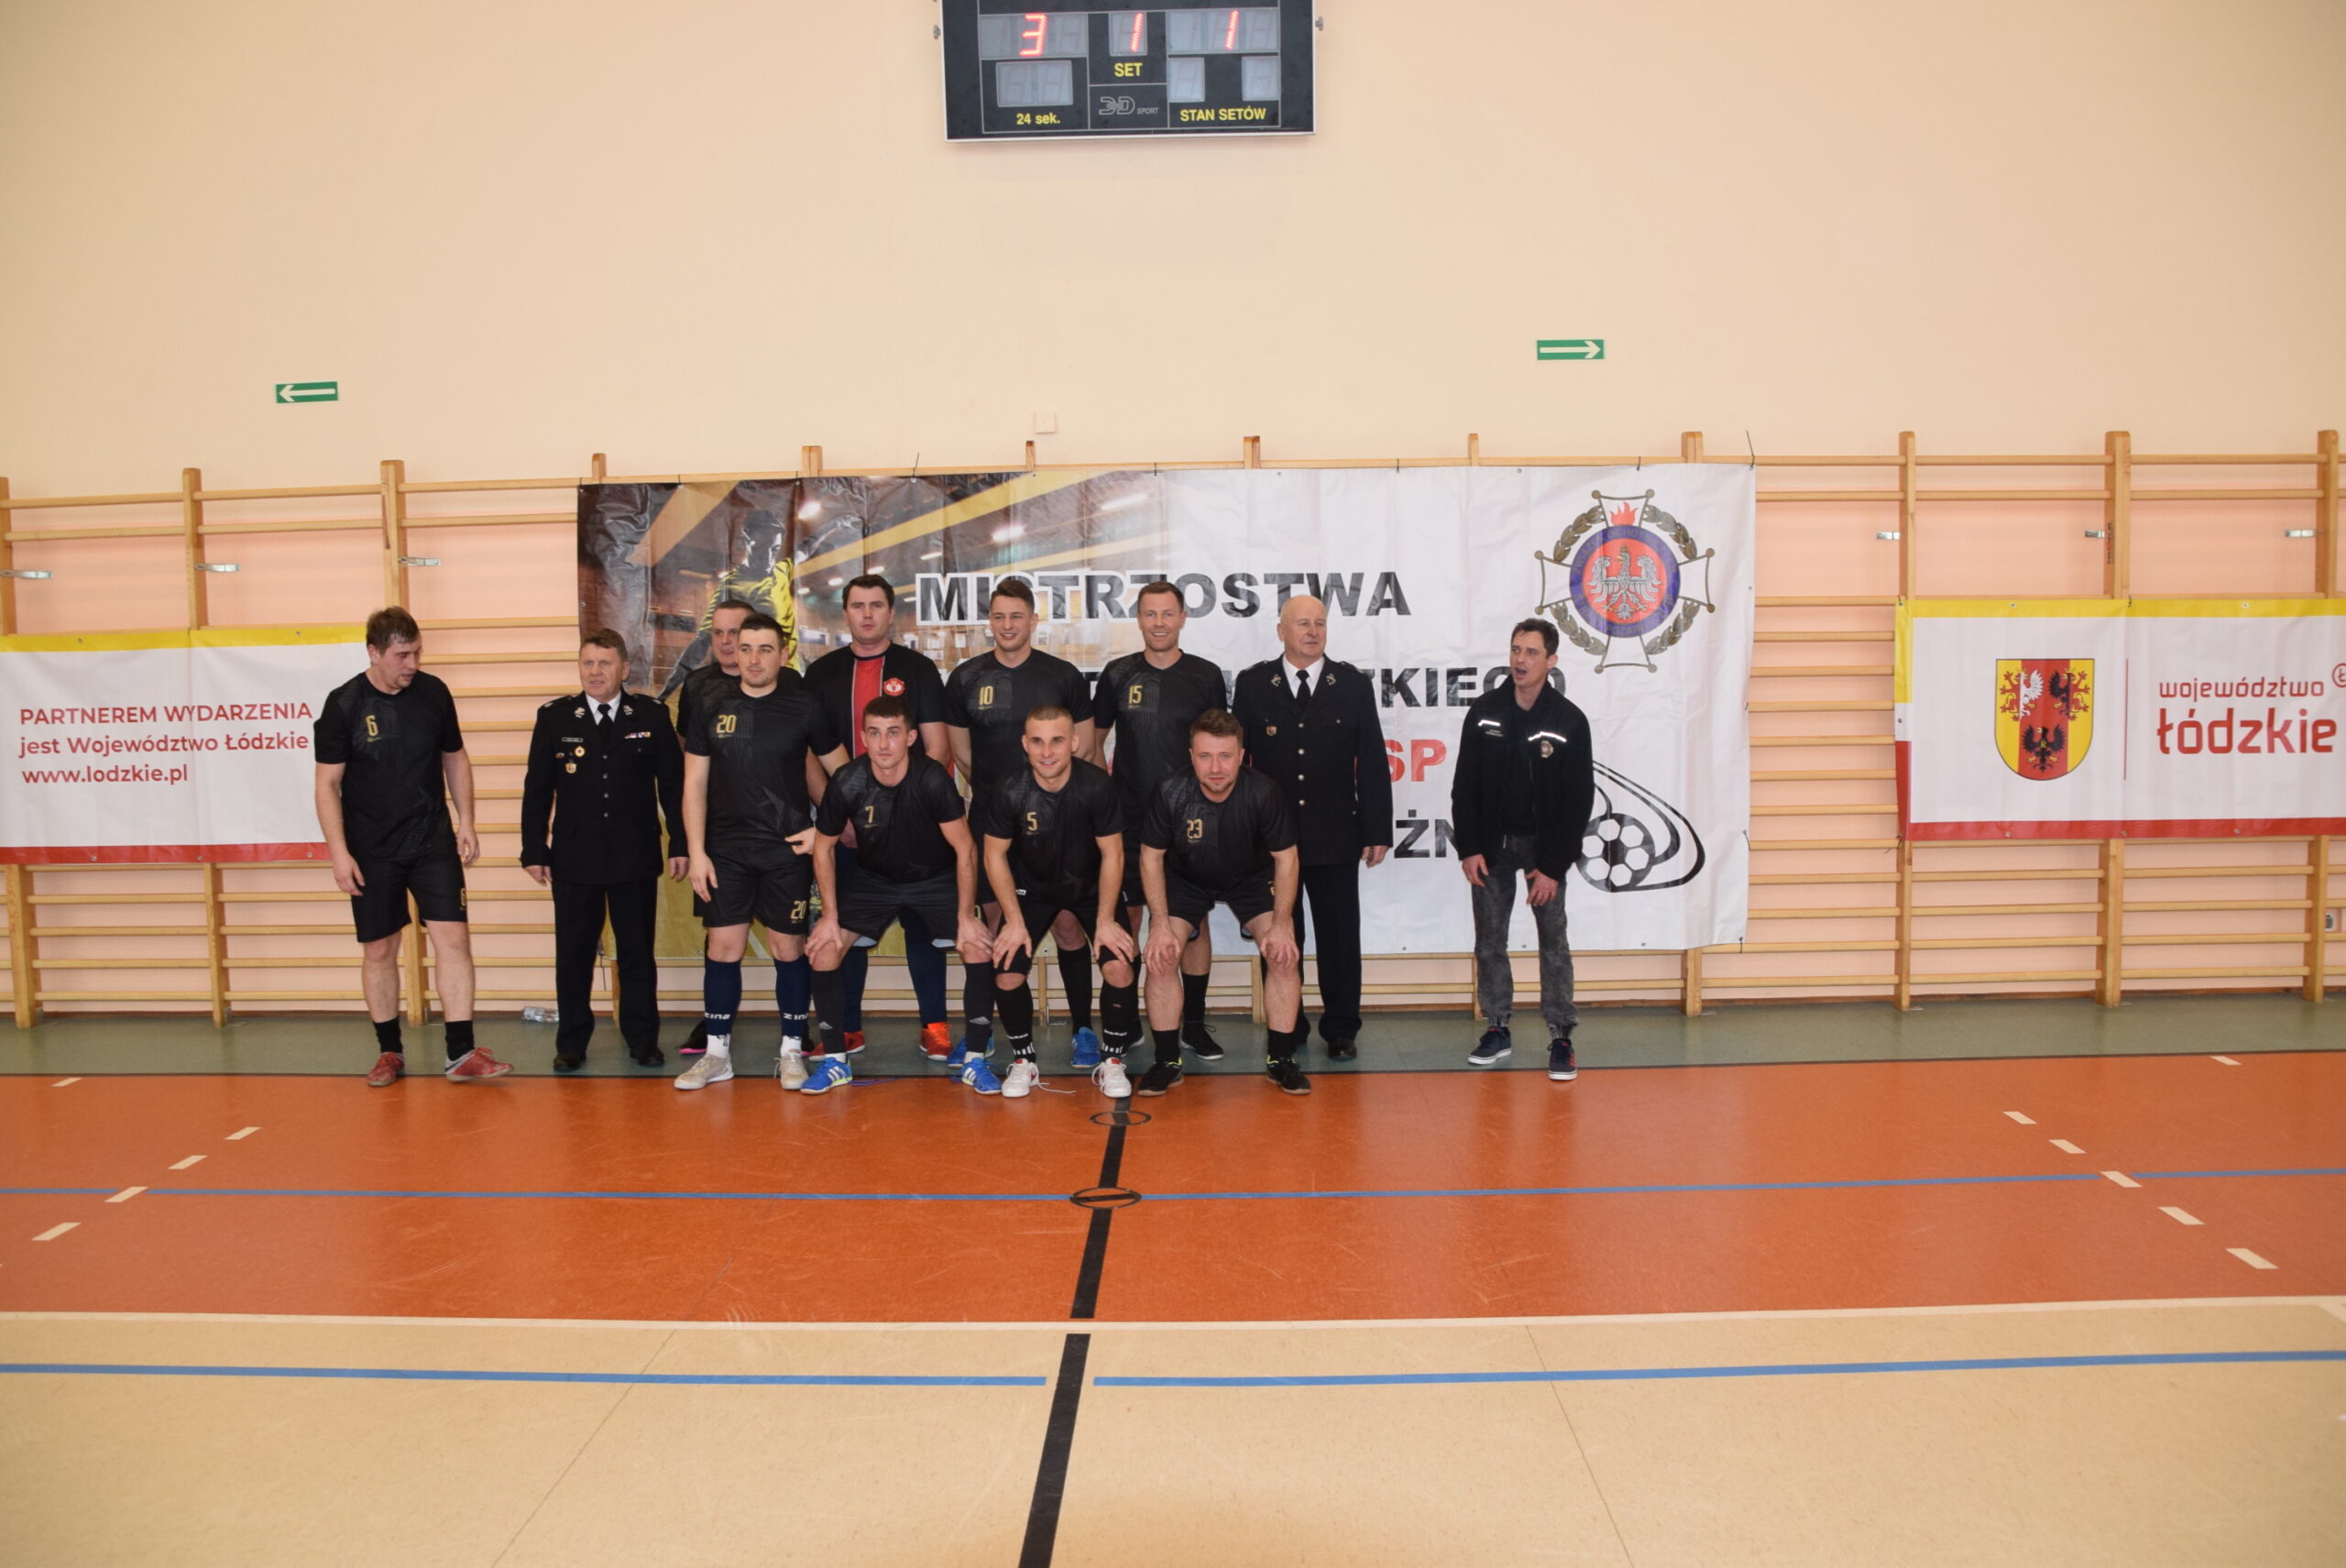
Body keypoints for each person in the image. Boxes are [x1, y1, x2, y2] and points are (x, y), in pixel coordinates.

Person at [314, 606, 508, 1086]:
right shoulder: (343, 704)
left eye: (417, 652)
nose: (413, 664)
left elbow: (455, 758)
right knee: (380, 949)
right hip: (371, 849)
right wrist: (339, 853)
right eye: (403, 655)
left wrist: (467, 821)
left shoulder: (433, 693)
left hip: (431, 841)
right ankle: (389, 1051)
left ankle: (460, 1052)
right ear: (373, 652)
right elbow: (327, 785)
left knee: (454, 940)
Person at [676, 612, 849, 1092]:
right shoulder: (710, 703)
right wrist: (697, 852)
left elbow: (847, 779)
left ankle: (792, 1050)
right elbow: (693, 784)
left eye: (765, 649)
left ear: (783, 655)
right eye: (745, 647)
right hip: (724, 852)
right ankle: (717, 1055)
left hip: (785, 851)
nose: (753, 659)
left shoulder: (805, 706)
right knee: (722, 948)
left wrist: (823, 834)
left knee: (787, 948)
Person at [1230, 594, 1392, 1060]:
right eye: (1302, 623)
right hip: (1272, 839)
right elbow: (1238, 763)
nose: (1313, 631)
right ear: (1281, 631)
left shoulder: (1352, 685)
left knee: (1340, 937)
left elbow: (1373, 761)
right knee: (1282, 936)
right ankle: (1290, 1024)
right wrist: (1239, 828)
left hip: (1335, 833)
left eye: (1320, 623)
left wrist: (1377, 830)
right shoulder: (1254, 684)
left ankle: (1341, 1028)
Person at [805, 696, 993, 1091]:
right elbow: (823, 848)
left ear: (910, 737)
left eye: (893, 733)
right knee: (824, 949)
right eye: (875, 733)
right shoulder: (848, 781)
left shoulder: (932, 779)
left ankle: (975, 1059)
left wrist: (965, 917)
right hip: (873, 880)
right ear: (863, 738)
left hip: (935, 877)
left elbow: (965, 849)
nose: (884, 743)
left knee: (977, 946)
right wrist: (829, 917)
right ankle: (836, 1061)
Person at [519, 629, 686, 1072]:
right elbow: (538, 789)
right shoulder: (555, 717)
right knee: (573, 956)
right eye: (588, 663)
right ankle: (572, 1043)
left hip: (635, 854)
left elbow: (673, 787)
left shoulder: (650, 715)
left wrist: (681, 843)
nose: (595, 672)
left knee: (636, 955)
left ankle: (643, 1041)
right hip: (575, 857)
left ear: (624, 669)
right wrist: (534, 849)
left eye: (604, 663)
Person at [802, 575, 955, 1059]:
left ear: (891, 613)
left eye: (876, 605)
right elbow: (809, 755)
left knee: (924, 929)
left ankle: (934, 1025)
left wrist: (915, 813)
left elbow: (937, 747)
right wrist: (840, 819)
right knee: (848, 930)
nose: (867, 614)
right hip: (849, 830)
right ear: (845, 613)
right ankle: (847, 1029)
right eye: (857, 605)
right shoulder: (821, 673)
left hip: (915, 831)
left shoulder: (918, 668)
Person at [942, 578, 1094, 1065]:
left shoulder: (1063, 676)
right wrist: (1004, 800)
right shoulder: (966, 677)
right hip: (994, 825)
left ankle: (1083, 1030)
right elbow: (963, 755)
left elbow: (1086, 748)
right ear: (990, 621)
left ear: (1033, 620)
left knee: (1068, 927)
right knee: (998, 930)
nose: (1007, 625)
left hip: (1058, 826)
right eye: (999, 616)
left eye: (1016, 616)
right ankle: (990, 1031)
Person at [1452, 619, 1597, 1082]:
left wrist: (1552, 867)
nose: (1520, 660)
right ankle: (1497, 1028)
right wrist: (1470, 846)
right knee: (1489, 941)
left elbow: (1578, 801)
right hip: (1492, 849)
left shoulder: (1568, 720)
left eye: (1532, 652)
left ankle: (1561, 1035)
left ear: (1551, 661)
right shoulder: (1485, 712)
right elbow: (1464, 786)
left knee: (1553, 943)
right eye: (1516, 650)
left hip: (1544, 852)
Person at [1136, 710, 1306, 1096]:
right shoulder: (1169, 791)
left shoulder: (1263, 792)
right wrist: (1159, 923)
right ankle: (1167, 1061)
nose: (1215, 768)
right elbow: (1150, 857)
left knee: (1283, 954)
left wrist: (1282, 923)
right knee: (1162, 954)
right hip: (1186, 879)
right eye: (1205, 756)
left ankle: (1281, 1060)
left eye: (1225, 756)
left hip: (1251, 879)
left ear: (1241, 756)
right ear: (1191, 755)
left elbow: (1287, 858)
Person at [1093, 579, 1227, 1063]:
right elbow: (1093, 743)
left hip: (1190, 822)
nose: (1159, 623)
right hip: (1130, 821)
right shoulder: (1117, 673)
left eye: (1168, 613)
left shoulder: (1205, 676)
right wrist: (1104, 804)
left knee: (1192, 924)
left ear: (1183, 618)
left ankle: (1193, 1024)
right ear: (1139, 619)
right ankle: (1127, 1023)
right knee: (1128, 919)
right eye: (1150, 614)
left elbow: (1218, 749)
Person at [976, 707, 1137, 1099]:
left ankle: (1112, 1060)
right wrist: (1014, 921)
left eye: (1057, 741)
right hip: (1032, 890)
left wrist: (1105, 920)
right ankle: (1024, 1062)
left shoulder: (1096, 786)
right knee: (1007, 969)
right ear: (1024, 744)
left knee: (1120, 964)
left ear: (1074, 743)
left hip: (1091, 888)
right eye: (1037, 741)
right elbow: (994, 856)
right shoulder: (1009, 790)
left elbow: (1113, 854)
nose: (1047, 752)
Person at [672, 597, 753, 1058]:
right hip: (718, 830)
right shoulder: (697, 685)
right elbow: (689, 760)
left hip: (776, 828)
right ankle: (714, 1024)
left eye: (734, 633)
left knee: (791, 937)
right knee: (719, 934)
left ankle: (797, 1025)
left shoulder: (786, 683)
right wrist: (691, 840)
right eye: (717, 633)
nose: (725, 642)